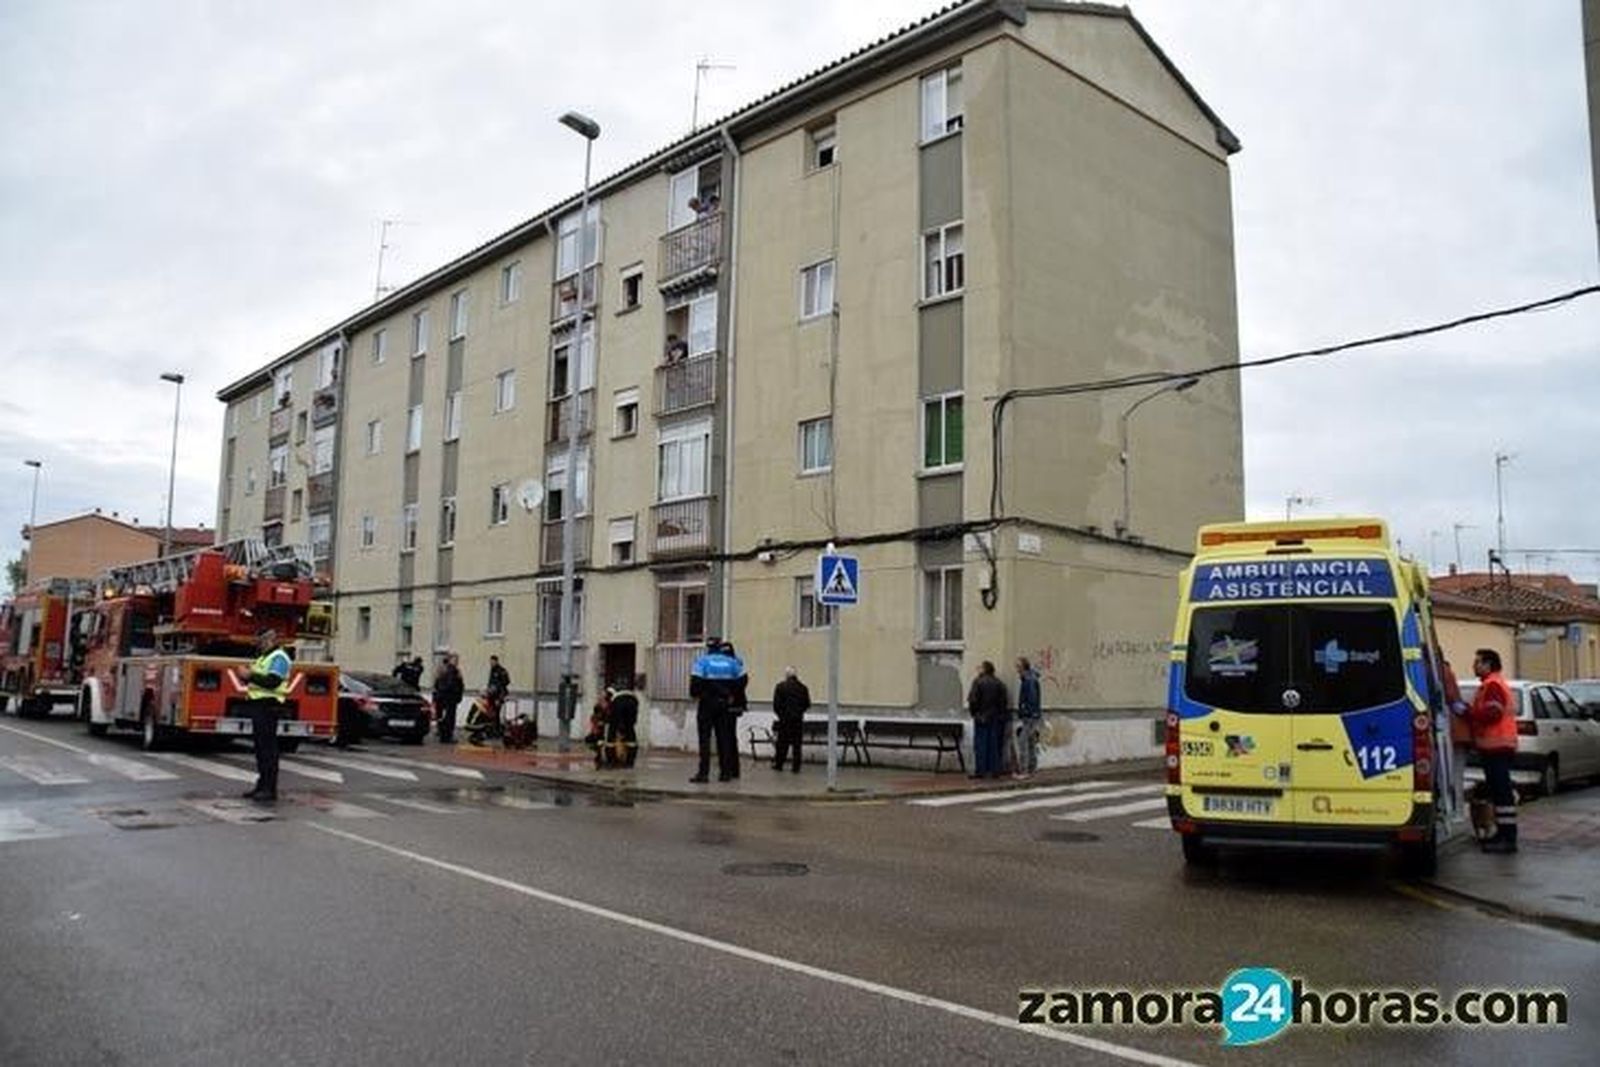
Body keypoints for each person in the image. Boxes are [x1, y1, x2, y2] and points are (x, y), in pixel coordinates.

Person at [1467, 648, 1518, 853]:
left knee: (1502, 793)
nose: (1474, 666)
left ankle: (1508, 838)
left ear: (1488, 665)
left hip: (1497, 746)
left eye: (1478, 662)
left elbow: (1493, 713)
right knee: (1498, 793)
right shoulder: (1491, 684)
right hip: (1496, 747)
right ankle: (1503, 833)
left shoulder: (1492, 685)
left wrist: (1470, 712)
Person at [241, 627, 293, 803]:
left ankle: (269, 789)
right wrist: (247, 676)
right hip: (259, 705)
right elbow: (258, 678)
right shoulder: (264, 657)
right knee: (261, 749)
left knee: (268, 750)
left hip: (269, 706)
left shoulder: (279, 657)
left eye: (260, 641)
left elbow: (273, 681)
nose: (258, 644)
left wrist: (250, 675)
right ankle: (262, 785)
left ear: (269, 640)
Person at [688, 638, 745, 783]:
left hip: (707, 704)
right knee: (724, 739)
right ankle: (725, 773)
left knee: (705, 739)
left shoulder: (702, 661)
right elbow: (743, 680)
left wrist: (699, 694)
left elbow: (695, 684)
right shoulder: (733, 662)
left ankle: (703, 773)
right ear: (720, 647)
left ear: (708, 648)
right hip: (725, 704)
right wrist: (731, 693)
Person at [967, 660, 1009, 780]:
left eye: (980, 667)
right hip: (995, 718)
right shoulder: (999, 683)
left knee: (981, 745)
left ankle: (981, 770)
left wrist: (974, 714)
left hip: (981, 717)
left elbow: (973, 700)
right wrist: (1001, 715)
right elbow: (1003, 702)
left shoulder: (978, 682)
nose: (978, 669)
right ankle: (995, 770)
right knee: (994, 745)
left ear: (985, 669)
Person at [771, 667, 811, 773]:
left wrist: (781, 715)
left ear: (787, 675)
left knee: (782, 743)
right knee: (797, 745)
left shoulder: (780, 687)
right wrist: (799, 712)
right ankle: (796, 767)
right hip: (797, 720)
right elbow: (807, 704)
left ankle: (779, 764)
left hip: (784, 720)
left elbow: (776, 705)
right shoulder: (803, 688)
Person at [1013, 656, 1042, 778]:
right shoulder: (1030, 678)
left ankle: (1024, 771)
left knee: (1023, 742)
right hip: (1032, 715)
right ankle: (1031, 769)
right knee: (1030, 742)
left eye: (1018, 666)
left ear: (1023, 667)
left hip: (1029, 716)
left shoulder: (1028, 680)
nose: (1016, 668)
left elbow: (1031, 698)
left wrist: (1025, 711)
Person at [432, 653, 465, 744]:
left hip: (443, 697)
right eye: (455, 660)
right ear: (451, 660)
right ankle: (447, 737)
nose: (457, 662)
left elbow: (437, 684)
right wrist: (457, 694)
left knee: (444, 718)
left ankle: (443, 736)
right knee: (449, 718)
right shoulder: (452, 671)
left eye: (457, 660)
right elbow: (453, 685)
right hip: (449, 698)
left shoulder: (443, 670)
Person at [608, 686, 641, 767]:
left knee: (612, 731)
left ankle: (613, 760)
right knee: (630, 731)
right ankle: (630, 762)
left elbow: (612, 716)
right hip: (633, 702)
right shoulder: (630, 693)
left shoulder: (612, 695)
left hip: (619, 703)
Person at [584, 690, 613, 768]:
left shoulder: (609, 705)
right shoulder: (598, 706)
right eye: (600, 695)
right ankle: (599, 756)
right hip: (599, 728)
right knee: (596, 741)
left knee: (603, 742)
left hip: (605, 727)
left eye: (603, 695)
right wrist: (595, 724)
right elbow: (595, 716)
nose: (601, 697)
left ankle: (603, 757)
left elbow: (609, 716)